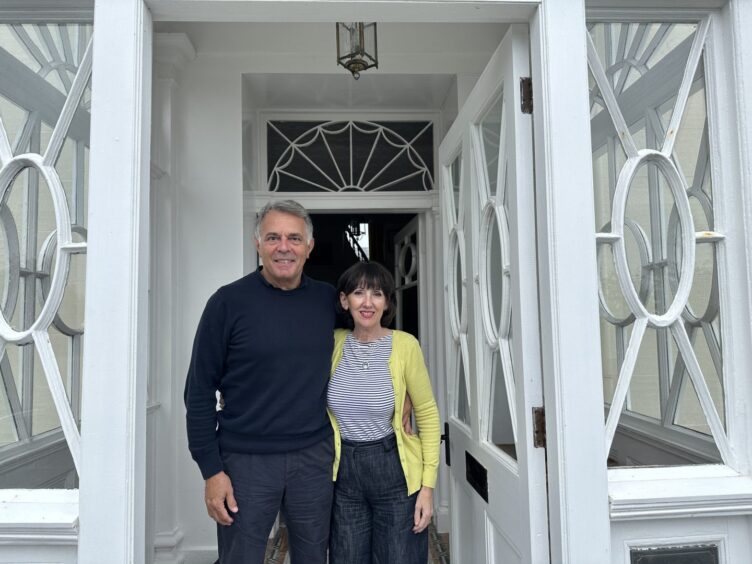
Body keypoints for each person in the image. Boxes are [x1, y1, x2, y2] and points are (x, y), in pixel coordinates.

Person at [184, 200, 336, 564]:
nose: (284, 247)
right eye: (273, 237)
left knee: (314, 557)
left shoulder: (328, 300)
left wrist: (402, 392)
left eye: (294, 238)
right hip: (244, 463)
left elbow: (370, 334)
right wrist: (212, 471)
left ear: (309, 246)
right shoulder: (227, 303)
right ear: (258, 244)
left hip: (313, 458)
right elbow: (199, 392)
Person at [327, 261, 441, 564]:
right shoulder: (333, 342)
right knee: (346, 557)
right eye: (358, 293)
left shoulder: (405, 345)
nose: (367, 302)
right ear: (343, 300)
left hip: (393, 468)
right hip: (344, 472)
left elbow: (428, 414)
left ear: (387, 302)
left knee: (399, 557)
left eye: (377, 294)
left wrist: (427, 488)